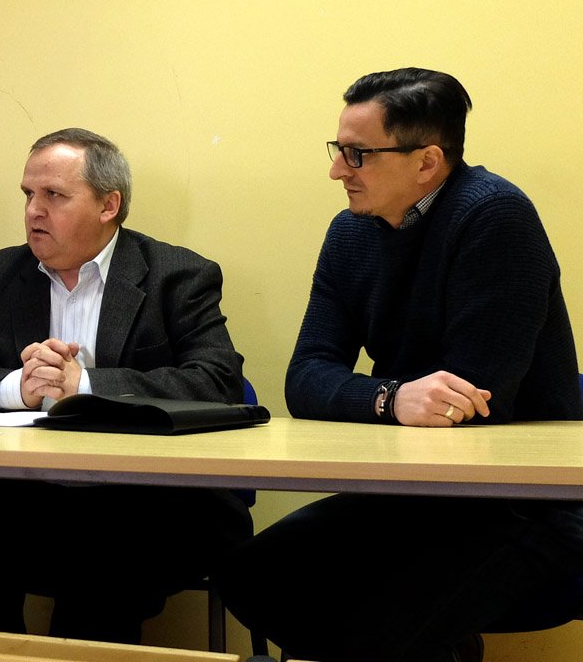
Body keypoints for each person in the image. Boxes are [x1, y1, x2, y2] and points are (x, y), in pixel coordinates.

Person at [218, 68, 583, 662]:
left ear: (427, 162)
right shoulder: (350, 233)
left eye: (358, 154)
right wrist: (390, 398)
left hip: (521, 501)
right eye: (339, 149)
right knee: (252, 577)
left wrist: (382, 400)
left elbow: (475, 404)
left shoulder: (496, 217)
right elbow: (305, 377)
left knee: (369, 631)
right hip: (411, 491)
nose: (338, 171)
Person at [0, 128, 251, 644]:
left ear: (108, 205)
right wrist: (20, 387)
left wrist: (87, 385)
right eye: (28, 194)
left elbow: (217, 381)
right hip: (28, 494)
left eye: (53, 195)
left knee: (104, 554)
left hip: (150, 498)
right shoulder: (0, 273)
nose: (33, 210)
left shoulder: (177, 274)